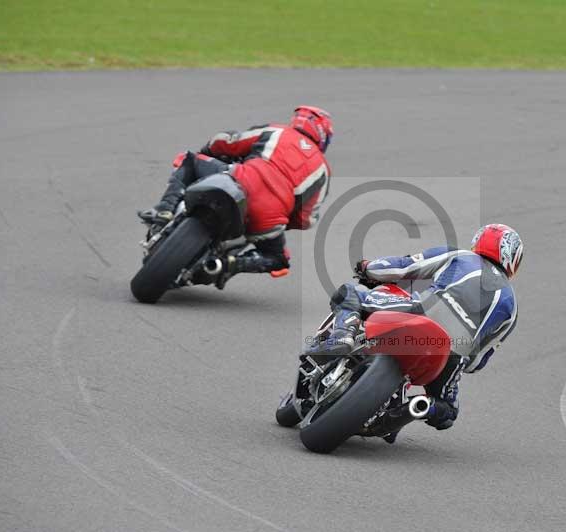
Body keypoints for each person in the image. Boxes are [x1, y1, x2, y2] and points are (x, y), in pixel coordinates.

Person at [304, 223, 522, 438]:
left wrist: (367, 267)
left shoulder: (460, 255)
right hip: (454, 353)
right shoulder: (512, 307)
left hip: (420, 313)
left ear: (479, 241)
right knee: (447, 412)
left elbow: (402, 267)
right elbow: (478, 360)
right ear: (513, 259)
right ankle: (413, 408)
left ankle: (343, 336)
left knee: (350, 293)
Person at [138, 105, 333, 278]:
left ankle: (164, 211)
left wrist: (208, 152)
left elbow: (228, 140)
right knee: (278, 259)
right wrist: (281, 220)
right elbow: (307, 218)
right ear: (323, 136)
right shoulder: (323, 171)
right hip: (269, 216)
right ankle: (229, 264)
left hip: (240, 179)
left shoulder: (278, 132)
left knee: (188, 160)